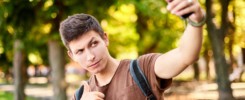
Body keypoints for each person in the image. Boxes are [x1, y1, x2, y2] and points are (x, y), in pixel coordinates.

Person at [59, 0, 205, 99]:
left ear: (105, 39)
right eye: (80, 51)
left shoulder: (142, 69)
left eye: (93, 44)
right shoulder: (81, 96)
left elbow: (185, 55)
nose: (90, 56)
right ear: (71, 56)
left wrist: (196, 20)